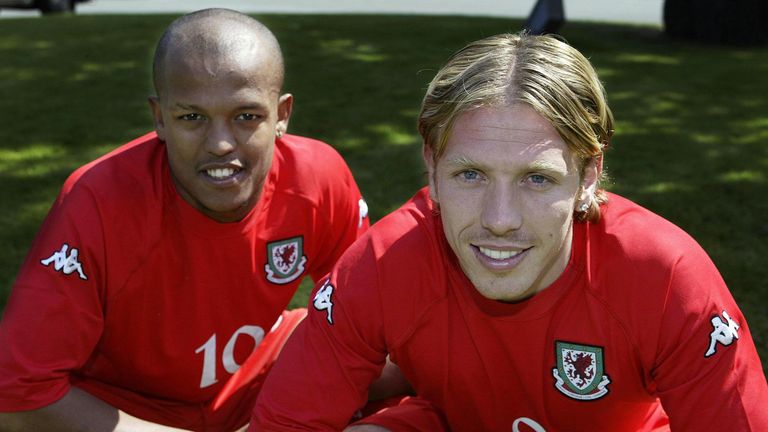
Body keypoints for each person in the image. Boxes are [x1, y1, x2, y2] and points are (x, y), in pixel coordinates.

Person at [250, 32, 768, 431]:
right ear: (432, 166)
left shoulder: (664, 277)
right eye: (470, 175)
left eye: (537, 179)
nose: (499, 219)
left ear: (588, 175)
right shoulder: (385, 263)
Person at [0, 8, 373, 432]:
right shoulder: (98, 201)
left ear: (281, 115)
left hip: (256, 381)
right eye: (192, 117)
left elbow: (373, 327)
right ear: (160, 118)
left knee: (392, 366)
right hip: (130, 410)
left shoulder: (317, 178)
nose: (220, 144)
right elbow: (15, 395)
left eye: (246, 116)